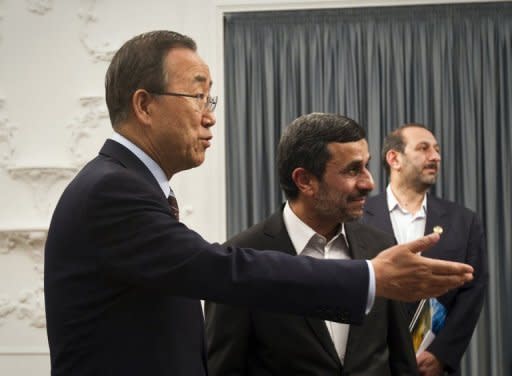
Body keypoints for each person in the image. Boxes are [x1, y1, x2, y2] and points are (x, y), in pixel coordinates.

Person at [44, 31, 473, 376]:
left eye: (210, 100)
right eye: (198, 97)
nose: (210, 116)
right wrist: (369, 279)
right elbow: (220, 271)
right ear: (144, 105)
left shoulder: (125, 185)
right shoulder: (112, 191)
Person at [205, 113, 419, 375]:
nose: (369, 183)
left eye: (366, 166)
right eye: (353, 170)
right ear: (304, 180)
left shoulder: (381, 248)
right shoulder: (239, 261)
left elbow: (401, 360)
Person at [362, 124, 488, 376]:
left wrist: (441, 353)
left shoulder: (464, 220)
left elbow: (472, 292)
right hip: (368, 363)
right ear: (394, 158)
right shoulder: (357, 217)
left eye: (437, 150)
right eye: (424, 148)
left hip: (431, 366)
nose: (436, 156)